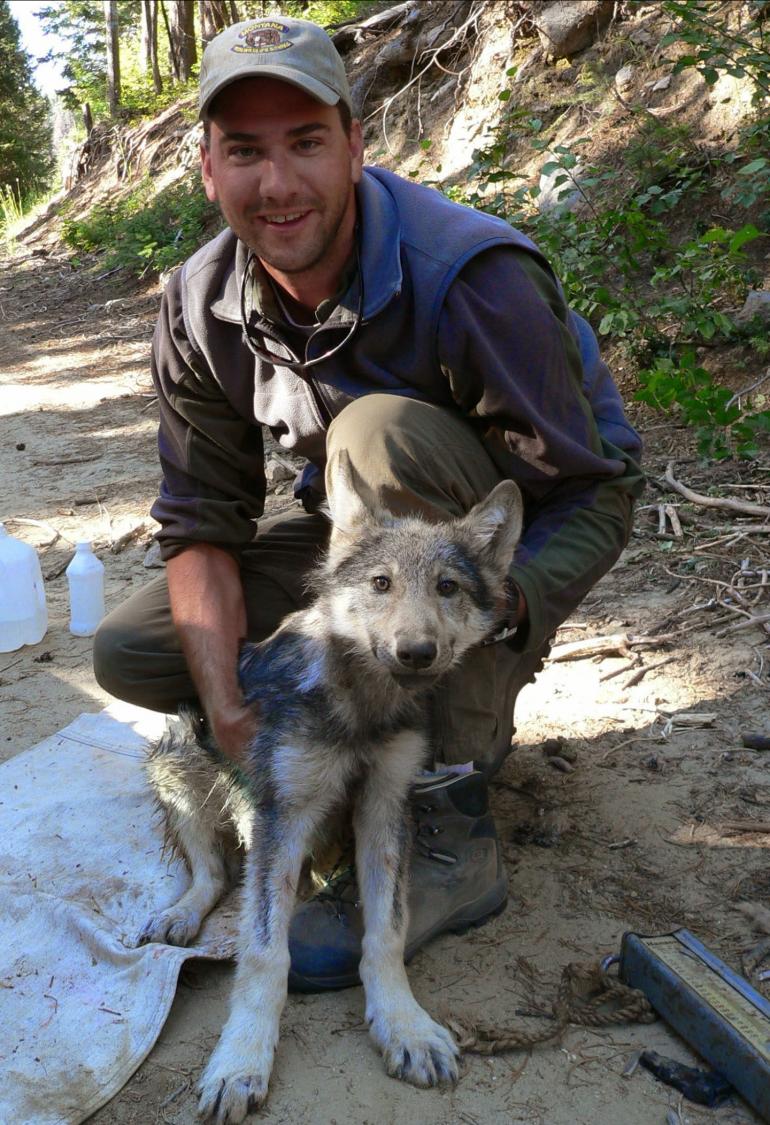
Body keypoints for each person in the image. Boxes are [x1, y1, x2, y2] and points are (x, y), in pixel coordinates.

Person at [93, 15, 643, 987]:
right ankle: (326, 769)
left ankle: (444, 816)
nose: (277, 183)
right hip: (364, 533)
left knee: (372, 435)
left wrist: (506, 600)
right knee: (141, 646)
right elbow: (200, 525)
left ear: (355, 143)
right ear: (205, 167)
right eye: (244, 151)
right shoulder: (198, 304)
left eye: (305, 141)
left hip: (479, 545)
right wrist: (226, 710)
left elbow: (597, 494)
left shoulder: (474, 278)